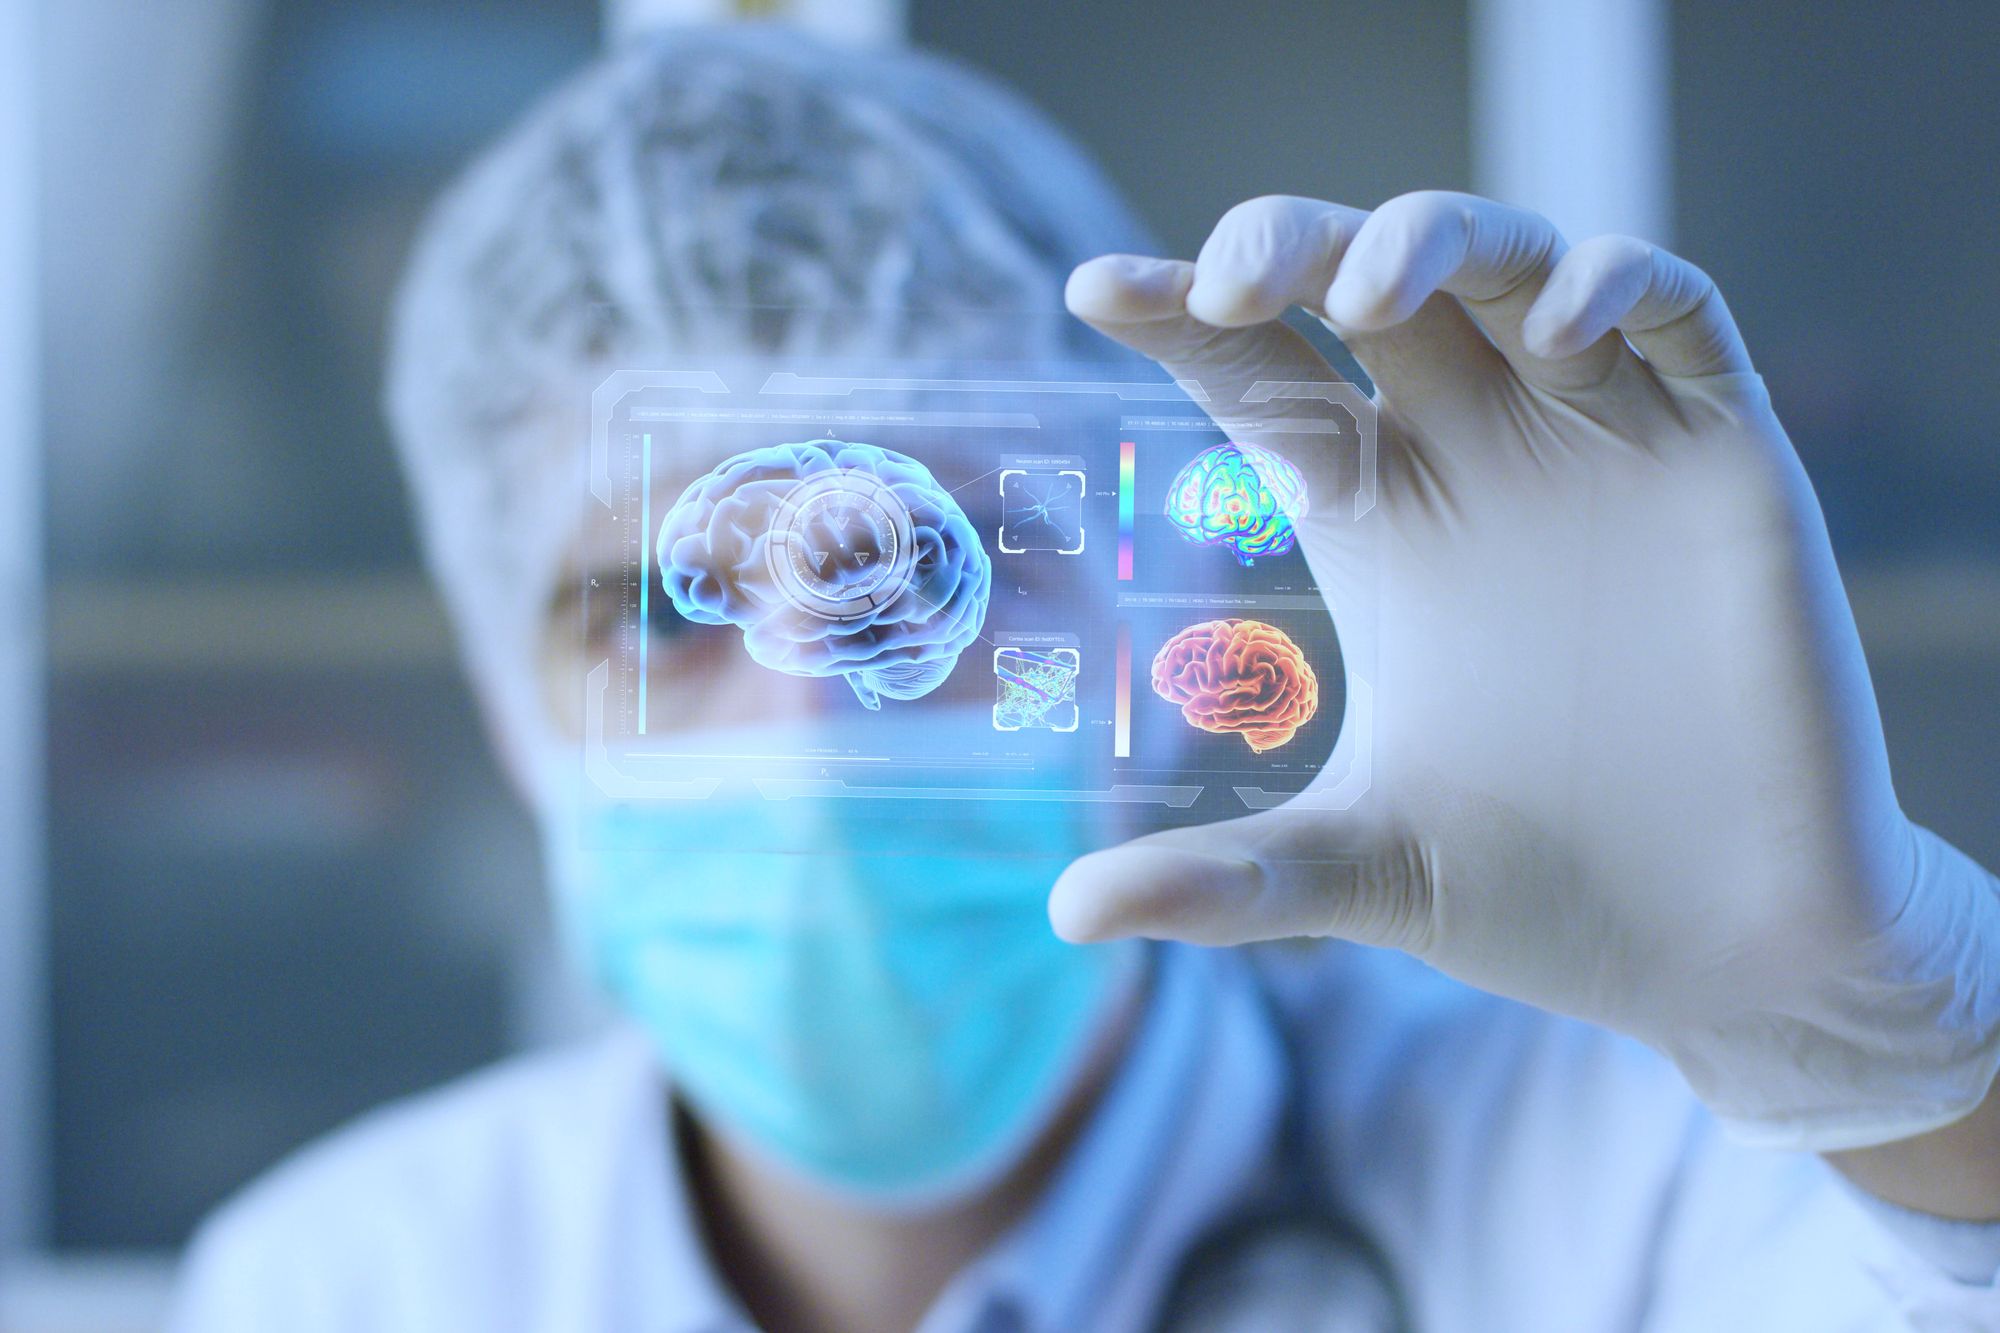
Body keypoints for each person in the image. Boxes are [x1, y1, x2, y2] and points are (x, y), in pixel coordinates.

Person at [166, 24, 2000, 1332]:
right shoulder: (344, 1288)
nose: (810, 735)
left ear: (1160, 617)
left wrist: (1901, 1072)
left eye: (935, 577)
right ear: (511, 698)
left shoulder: (1622, 1188)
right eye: (659, 614)